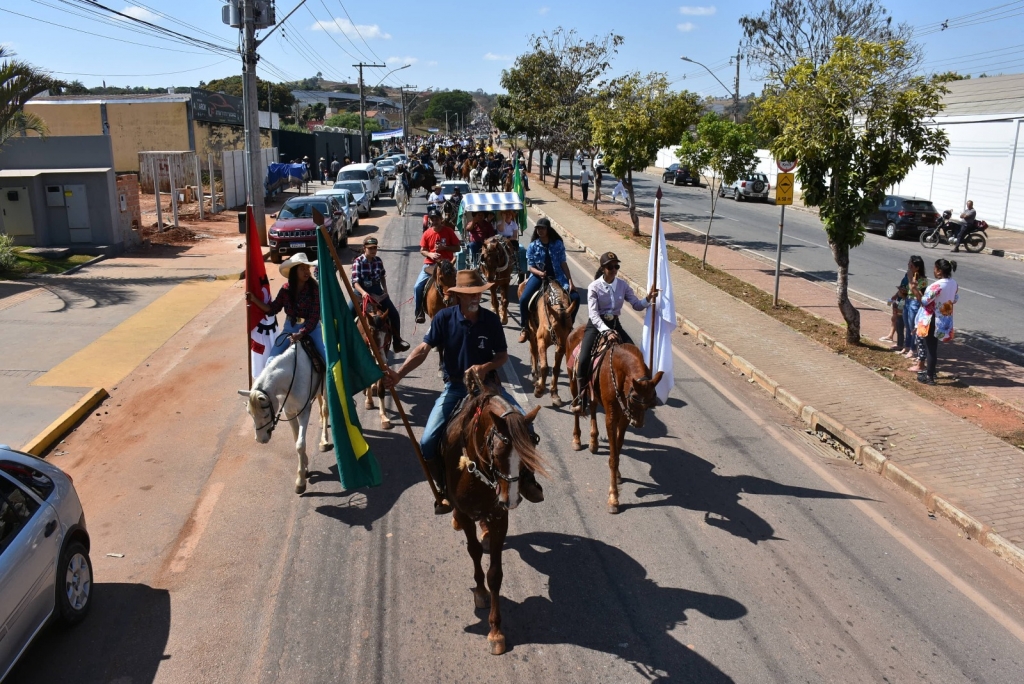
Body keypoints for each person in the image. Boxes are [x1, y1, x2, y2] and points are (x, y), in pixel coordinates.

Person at [384, 270, 544, 513]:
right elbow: (424, 349)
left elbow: (502, 356)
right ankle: (443, 488)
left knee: (526, 427)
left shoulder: (490, 320)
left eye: (478, 293)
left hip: (489, 387)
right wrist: (399, 373)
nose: (475, 298)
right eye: (470, 294)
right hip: (456, 387)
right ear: (458, 296)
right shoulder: (444, 318)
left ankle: (526, 480)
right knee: (427, 442)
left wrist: (485, 367)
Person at [571, 252, 658, 414]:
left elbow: (637, 305)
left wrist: (648, 298)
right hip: (597, 326)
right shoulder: (594, 287)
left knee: (637, 356)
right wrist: (606, 331)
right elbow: (593, 314)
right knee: (583, 360)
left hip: (615, 324)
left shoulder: (623, 285)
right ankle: (581, 398)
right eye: (610, 267)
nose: (614, 269)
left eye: (616, 266)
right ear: (603, 268)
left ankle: (647, 392)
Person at [246, 253, 326, 364]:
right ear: (294, 271)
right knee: (270, 361)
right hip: (289, 328)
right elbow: (272, 309)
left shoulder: (314, 290)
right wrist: (254, 299)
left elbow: (314, 317)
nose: (307, 271)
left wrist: (301, 333)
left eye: (307, 268)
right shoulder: (285, 290)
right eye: (302, 269)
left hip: (312, 329)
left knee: (326, 359)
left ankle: (332, 380)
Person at [518, 218, 580, 343]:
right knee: (524, 299)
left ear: (548, 230)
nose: (540, 230)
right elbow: (530, 266)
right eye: (538, 228)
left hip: (557, 277)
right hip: (538, 277)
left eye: (543, 228)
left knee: (576, 298)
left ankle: (569, 324)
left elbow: (563, 263)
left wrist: (570, 281)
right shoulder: (533, 246)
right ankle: (524, 328)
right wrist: (539, 273)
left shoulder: (557, 244)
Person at [351, 237, 411, 353]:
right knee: (347, 314)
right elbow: (355, 282)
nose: (373, 250)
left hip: (377, 291)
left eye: (375, 248)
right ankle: (345, 344)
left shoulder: (378, 260)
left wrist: (385, 290)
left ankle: (397, 342)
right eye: (370, 248)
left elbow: (382, 275)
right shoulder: (358, 262)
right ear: (364, 248)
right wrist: (363, 293)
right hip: (361, 292)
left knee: (394, 314)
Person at [911, 259, 958, 385]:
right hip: (944, 319)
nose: (933, 270)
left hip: (932, 319)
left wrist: (915, 289)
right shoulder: (953, 283)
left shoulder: (936, 286)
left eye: (935, 268)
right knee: (933, 346)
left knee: (931, 348)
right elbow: (955, 299)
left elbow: (925, 302)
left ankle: (930, 377)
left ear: (939, 271)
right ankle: (931, 371)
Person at [414, 206, 461, 324]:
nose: (434, 221)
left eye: (436, 219)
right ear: (430, 220)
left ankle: (462, 310)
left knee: (461, 285)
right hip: (430, 264)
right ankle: (419, 311)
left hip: (447, 265)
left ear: (441, 219)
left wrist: (445, 247)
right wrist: (430, 254)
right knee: (417, 287)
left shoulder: (449, 231)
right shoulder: (427, 233)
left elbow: (457, 247)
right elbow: (422, 250)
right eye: (432, 219)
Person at [901, 256, 927, 361]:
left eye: (911, 265)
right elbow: (908, 290)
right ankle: (907, 346)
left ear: (917, 267)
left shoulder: (922, 280)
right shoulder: (909, 276)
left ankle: (913, 349)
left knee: (912, 327)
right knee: (907, 325)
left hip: (915, 303)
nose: (908, 266)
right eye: (908, 264)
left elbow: (919, 295)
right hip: (907, 300)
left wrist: (911, 279)